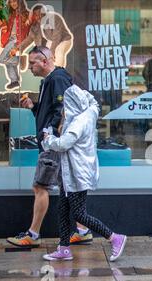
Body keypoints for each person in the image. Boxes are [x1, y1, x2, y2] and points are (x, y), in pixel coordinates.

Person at [6, 46, 91, 248]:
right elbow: (52, 110)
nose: (29, 68)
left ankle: (32, 235)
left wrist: (49, 134)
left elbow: (63, 111)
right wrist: (33, 107)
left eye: (33, 63)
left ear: (44, 61)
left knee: (40, 186)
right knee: (66, 187)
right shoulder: (50, 80)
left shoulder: (57, 79)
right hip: (53, 142)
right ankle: (83, 230)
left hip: (52, 144)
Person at [42, 85, 127, 262]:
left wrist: (48, 140)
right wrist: (78, 91)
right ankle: (64, 248)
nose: (64, 110)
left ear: (71, 105)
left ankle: (114, 238)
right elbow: (93, 102)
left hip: (77, 174)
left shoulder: (77, 123)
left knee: (79, 214)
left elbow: (64, 144)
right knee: (63, 209)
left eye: (66, 105)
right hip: (69, 173)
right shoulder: (90, 111)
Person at [0, 0, 30, 90]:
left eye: (14, 1)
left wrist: (21, 44)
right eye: (11, 2)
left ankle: (19, 60)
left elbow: (29, 28)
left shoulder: (25, 14)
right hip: (9, 39)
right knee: (8, 63)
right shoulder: (10, 14)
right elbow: (3, 24)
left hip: (16, 40)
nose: (13, 4)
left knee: (1, 59)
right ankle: (14, 81)